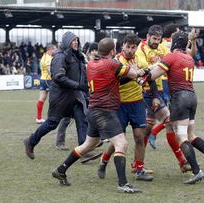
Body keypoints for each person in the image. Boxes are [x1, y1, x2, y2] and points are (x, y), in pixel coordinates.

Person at [52, 38, 144, 193]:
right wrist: (139, 69)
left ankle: (61, 169)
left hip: (93, 110)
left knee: (88, 145)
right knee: (122, 144)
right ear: (113, 51)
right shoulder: (112, 64)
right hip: (105, 111)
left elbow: (115, 78)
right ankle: (123, 184)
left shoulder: (92, 64)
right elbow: (134, 73)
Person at [143, 31, 204, 184]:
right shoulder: (188, 58)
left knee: (181, 137)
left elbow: (154, 75)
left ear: (174, 43)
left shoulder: (171, 56)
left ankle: (197, 171)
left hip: (179, 99)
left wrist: (144, 75)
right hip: (192, 96)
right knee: (191, 135)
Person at [23, 31, 101, 162]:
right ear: (67, 42)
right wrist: (78, 86)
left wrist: (85, 88)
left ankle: (84, 150)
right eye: (73, 40)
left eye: (77, 40)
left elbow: (82, 75)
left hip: (75, 96)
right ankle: (31, 141)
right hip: (61, 98)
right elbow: (59, 77)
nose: (76, 42)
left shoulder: (77, 56)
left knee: (82, 120)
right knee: (52, 123)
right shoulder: (60, 57)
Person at [97, 33, 154, 181]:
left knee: (139, 137)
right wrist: (132, 74)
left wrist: (154, 96)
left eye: (133, 47)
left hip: (137, 103)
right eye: (127, 46)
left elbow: (148, 78)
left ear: (136, 48)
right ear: (122, 46)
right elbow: (115, 82)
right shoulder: (116, 61)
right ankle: (103, 161)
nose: (130, 50)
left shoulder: (140, 60)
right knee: (117, 140)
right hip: (119, 105)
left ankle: (139, 170)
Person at [135, 24, 191, 173]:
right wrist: (161, 63)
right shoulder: (140, 49)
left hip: (159, 91)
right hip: (147, 92)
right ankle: (182, 161)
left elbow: (173, 57)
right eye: (154, 38)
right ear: (147, 36)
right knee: (169, 122)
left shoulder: (162, 48)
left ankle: (136, 164)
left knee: (146, 130)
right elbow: (146, 71)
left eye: (158, 39)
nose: (156, 42)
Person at [148, 25, 199, 149]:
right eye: (176, 32)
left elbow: (191, 53)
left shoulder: (177, 46)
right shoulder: (164, 45)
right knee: (167, 118)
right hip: (161, 83)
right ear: (171, 34)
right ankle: (151, 134)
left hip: (169, 82)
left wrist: (193, 40)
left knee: (172, 117)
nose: (179, 33)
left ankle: (154, 133)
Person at [35, 44, 57, 124]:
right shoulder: (48, 58)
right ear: (50, 49)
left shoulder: (43, 57)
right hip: (48, 80)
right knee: (54, 98)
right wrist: (54, 77)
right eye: (55, 49)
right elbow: (48, 69)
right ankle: (52, 117)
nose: (55, 51)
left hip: (42, 79)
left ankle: (38, 118)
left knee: (42, 99)